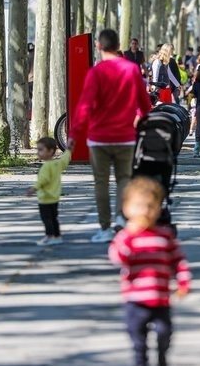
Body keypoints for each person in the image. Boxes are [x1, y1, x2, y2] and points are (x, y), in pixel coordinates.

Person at [68, 29, 153, 243]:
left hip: (99, 138)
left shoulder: (96, 73)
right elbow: (145, 105)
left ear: (98, 46)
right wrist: (140, 120)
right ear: (118, 46)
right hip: (125, 136)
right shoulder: (132, 69)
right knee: (124, 179)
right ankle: (120, 218)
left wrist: (74, 134)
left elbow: (84, 107)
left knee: (101, 182)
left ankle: (104, 227)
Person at [109, 177, 191, 366]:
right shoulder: (126, 236)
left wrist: (183, 281)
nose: (144, 211)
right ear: (127, 208)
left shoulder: (164, 235)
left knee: (164, 332)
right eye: (138, 206)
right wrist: (129, 238)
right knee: (138, 339)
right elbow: (117, 258)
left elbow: (178, 260)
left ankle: (162, 357)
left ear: (158, 208)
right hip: (135, 300)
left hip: (161, 298)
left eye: (150, 206)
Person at [27, 137, 72, 246]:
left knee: (46, 219)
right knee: (54, 218)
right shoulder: (57, 164)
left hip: (45, 198)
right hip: (55, 198)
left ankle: (49, 236)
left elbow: (43, 180)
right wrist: (69, 149)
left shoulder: (46, 167)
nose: (38, 152)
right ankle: (57, 236)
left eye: (41, 150)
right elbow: (65, 160)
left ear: (51, 151)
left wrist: (34, 188)